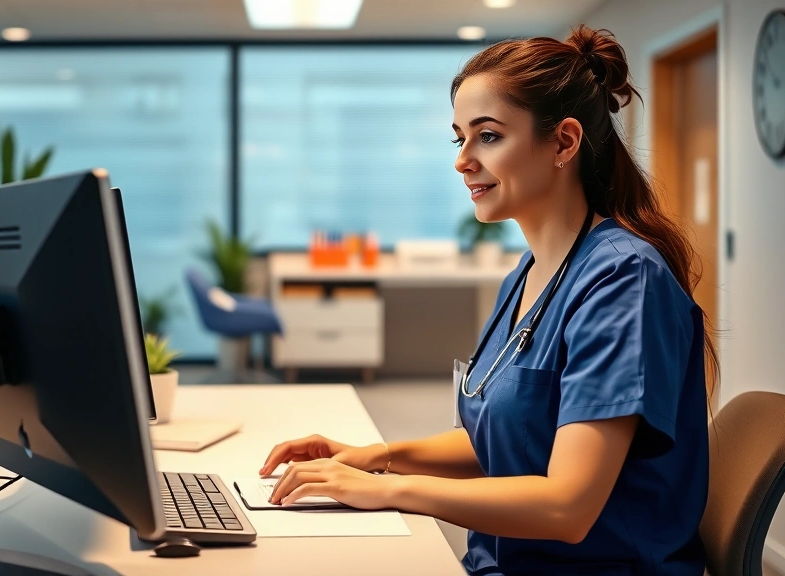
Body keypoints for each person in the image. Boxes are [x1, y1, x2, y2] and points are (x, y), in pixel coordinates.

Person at [259, 26, 717, 576]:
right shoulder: (527, 275)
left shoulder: (623, 280)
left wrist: (389, 490)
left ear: (564, 143)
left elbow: (567, 506)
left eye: (489, 136)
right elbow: (508, 439)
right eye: (460, 139)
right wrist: (372, 457)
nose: (463, 161)